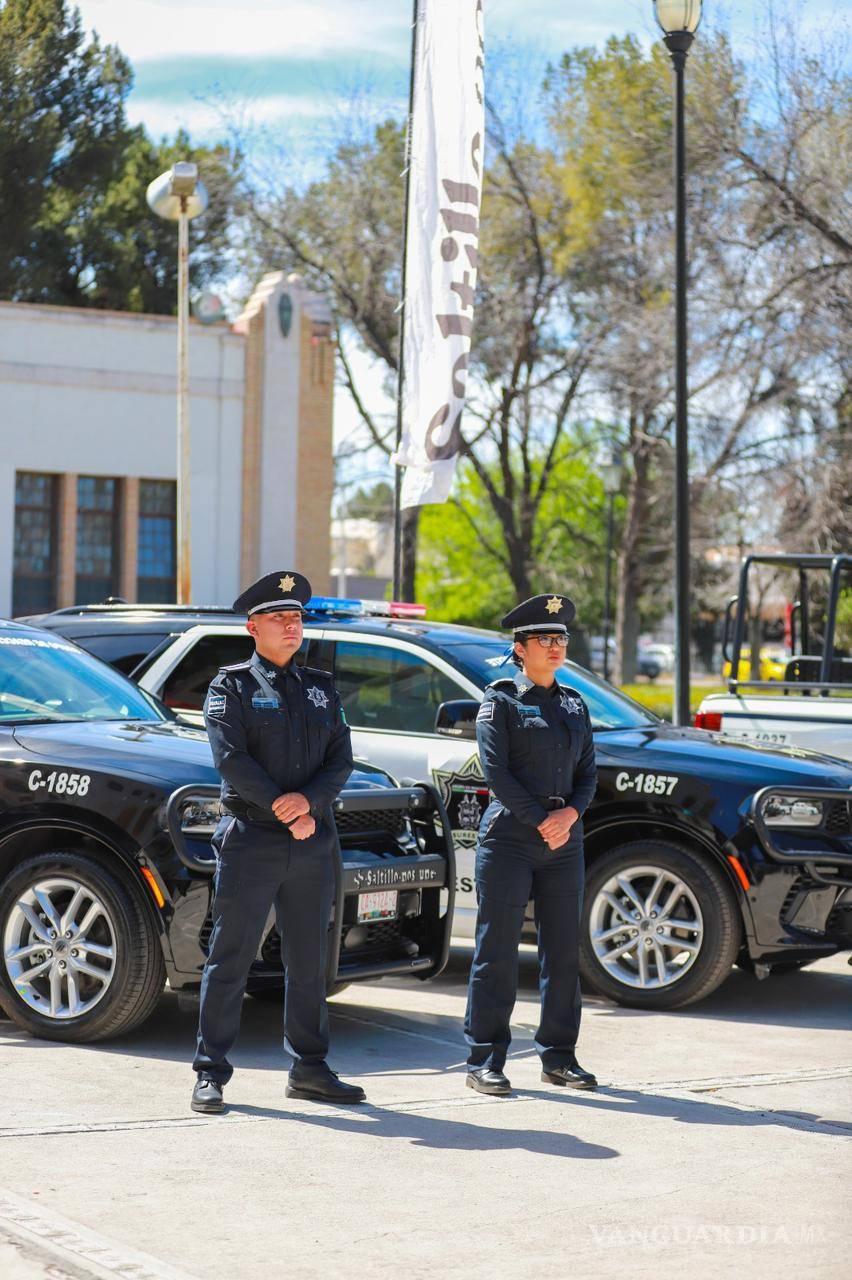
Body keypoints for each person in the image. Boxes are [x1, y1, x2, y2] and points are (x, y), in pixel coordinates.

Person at [191, 570, 364, 1114]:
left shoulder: (322, 687)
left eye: (297, 618)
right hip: (251, 838)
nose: (292, 627)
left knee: (310, 959)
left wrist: (307, 805)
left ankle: (310, 1068)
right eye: (279, 619)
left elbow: (341, 759)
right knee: (231, 956)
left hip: (312, 839)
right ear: (253, 627)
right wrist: (284, 808)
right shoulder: (231, 686)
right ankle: (210, 1072)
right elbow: (231, 760)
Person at [464, 593, 598, 1096]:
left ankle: (559, 1056)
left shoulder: (573, 702)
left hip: (564, 839)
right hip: (512, 839)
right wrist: (544, 819)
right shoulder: (499, 700)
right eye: (545, 638)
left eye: (561, 637)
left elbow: (587, 772)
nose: (556, 645)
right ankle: (484, 1058)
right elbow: (496, 773)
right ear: (520, 648)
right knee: (495, 952)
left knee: (562, 952)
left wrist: (568, 815)